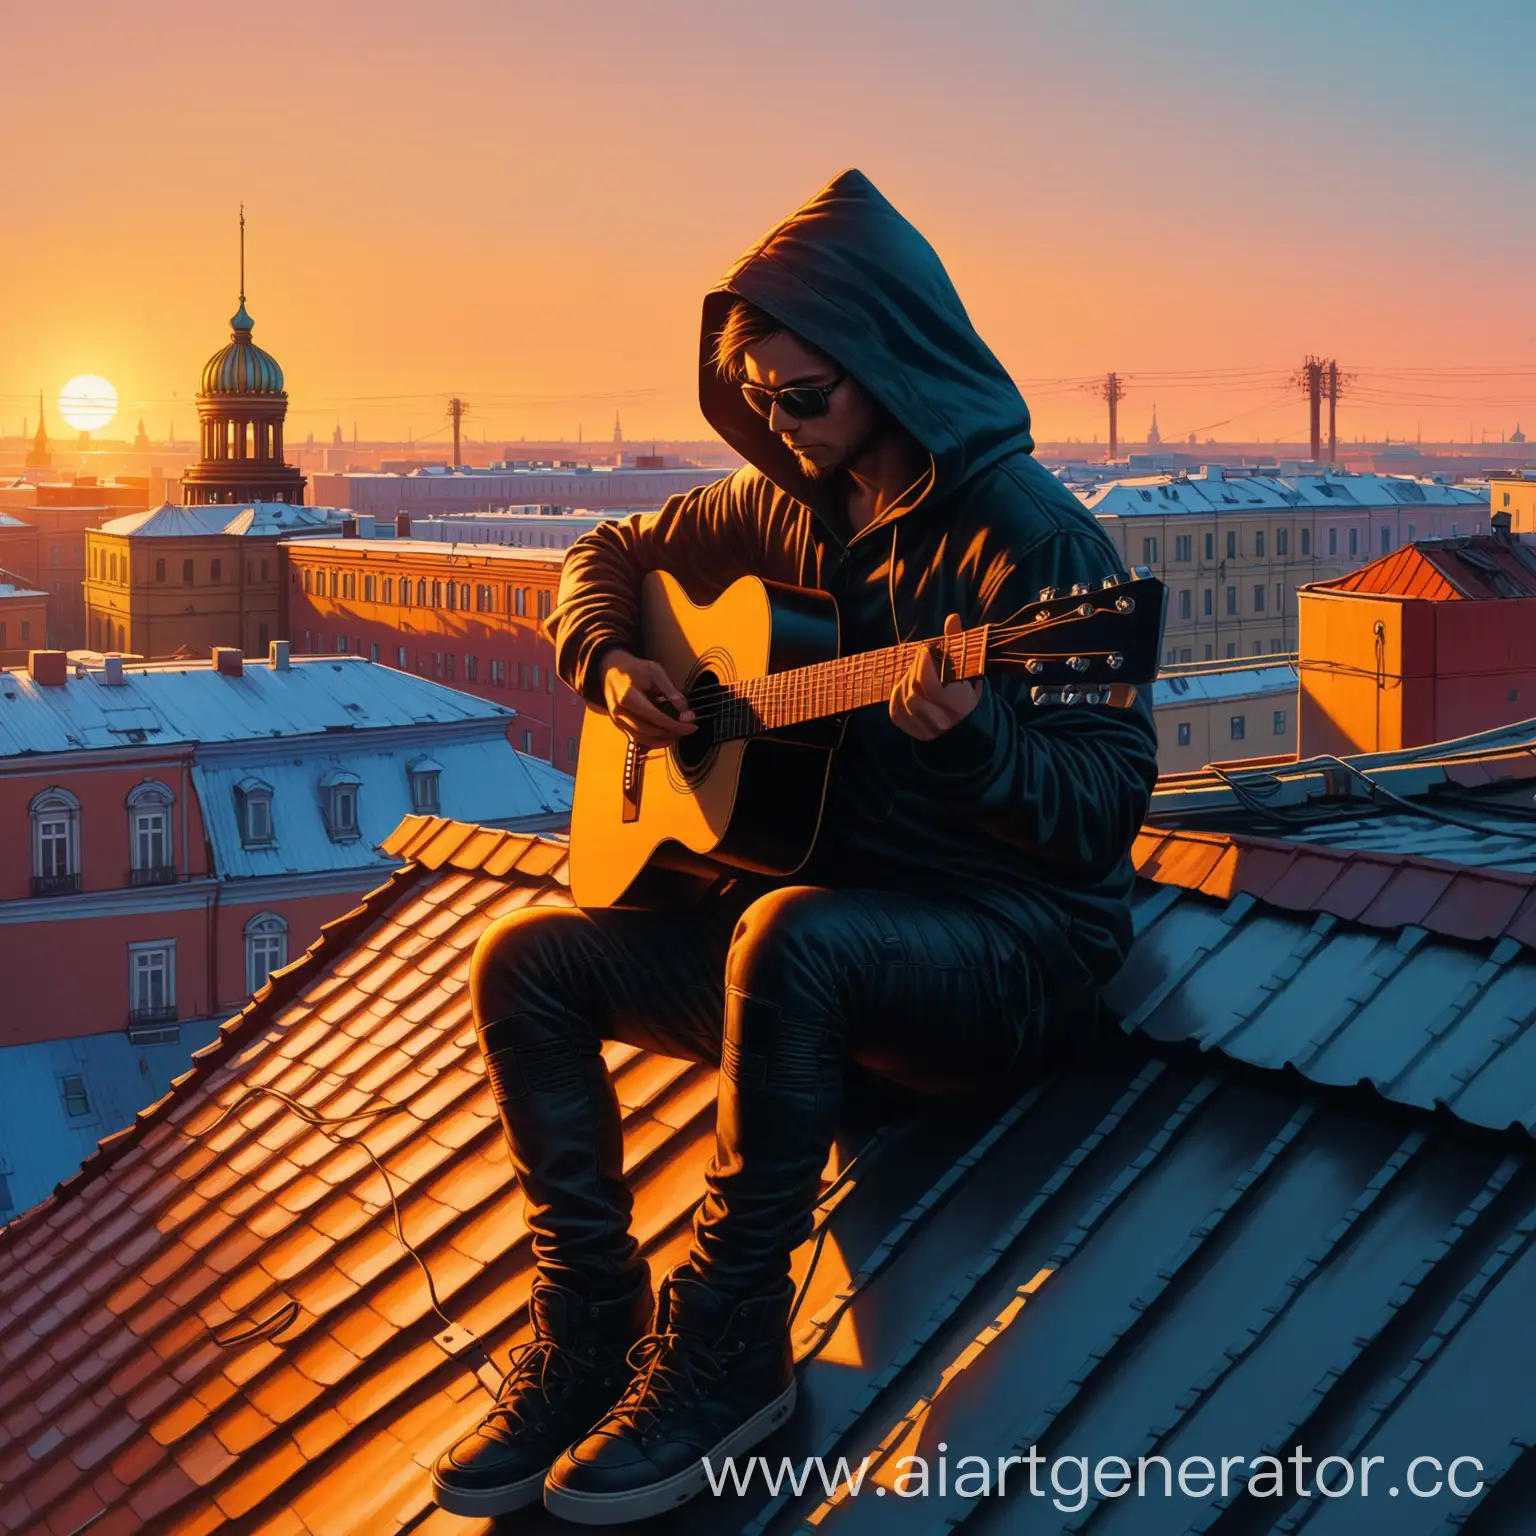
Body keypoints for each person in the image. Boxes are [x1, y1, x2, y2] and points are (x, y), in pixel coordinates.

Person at [431, 168, 1159, 1524]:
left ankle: (729, 1350)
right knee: (525, 960)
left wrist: (970, 740)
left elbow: (1096, 816)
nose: (777, 422)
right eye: (757, 397)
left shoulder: (1036, 548)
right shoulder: (776, 511)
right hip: (819, 947)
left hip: (1004, 956)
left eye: (803, 396)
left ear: (892, 359)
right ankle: (590, 1320)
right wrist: (604, 664)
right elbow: (606, 552)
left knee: (790, 936)